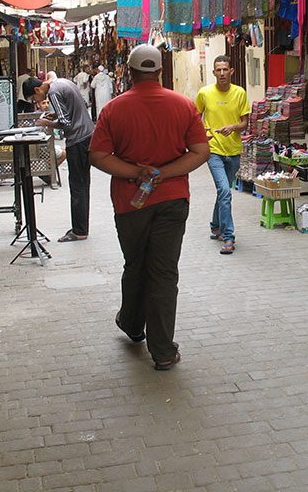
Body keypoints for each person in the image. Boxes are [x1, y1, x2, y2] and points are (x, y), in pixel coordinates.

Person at [89, 44, 209, 370]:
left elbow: (97, 155)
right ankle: (163, 351)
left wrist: (136, 173)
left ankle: (131, 323)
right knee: (164, 273)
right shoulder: (183, 106)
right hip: (171, 200)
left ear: (129, 71)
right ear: (159, 71)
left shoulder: (113, 109)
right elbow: (200, 151)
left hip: (130, 204)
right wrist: (163, 174)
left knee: (136, 264)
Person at [23, 74, 94, 242]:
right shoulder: (63, 82)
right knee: (83, 183)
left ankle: (79, 230)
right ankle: (81, 226)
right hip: (87, 135)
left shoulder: (53, 92)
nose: (37, 101)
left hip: (77, 139)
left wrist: (46, 123)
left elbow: (66, 123)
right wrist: (54, 116)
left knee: (77, 185)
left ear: (37, 89)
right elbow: (77, 107)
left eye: (35, 98)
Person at [195, 55, 251, 255]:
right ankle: (228, 237)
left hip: (234, 151)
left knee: (223, 191)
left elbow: (245, 123)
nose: (221, 73)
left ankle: (215, 225)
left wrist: (233, 127)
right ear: (213, 72)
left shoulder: (240, 93)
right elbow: (194, 117)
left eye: (225, 69)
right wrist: (202, 133)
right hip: (214, 151)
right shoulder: (204, 93)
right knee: (226, 192)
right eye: (218, 70)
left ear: (231, 71)